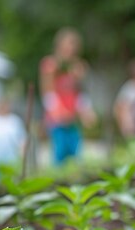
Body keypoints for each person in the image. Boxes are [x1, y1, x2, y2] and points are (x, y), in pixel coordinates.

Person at [39, 27, 96, 165]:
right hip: (57, 121)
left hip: (73, 121)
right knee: (59, 157)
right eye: (69, 45)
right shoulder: (50, 65)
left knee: (76, 157)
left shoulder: (78, 67)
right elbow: (47, 92)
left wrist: (86, 111)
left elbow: (80, 93)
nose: (72, 49)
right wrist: (57, 111)